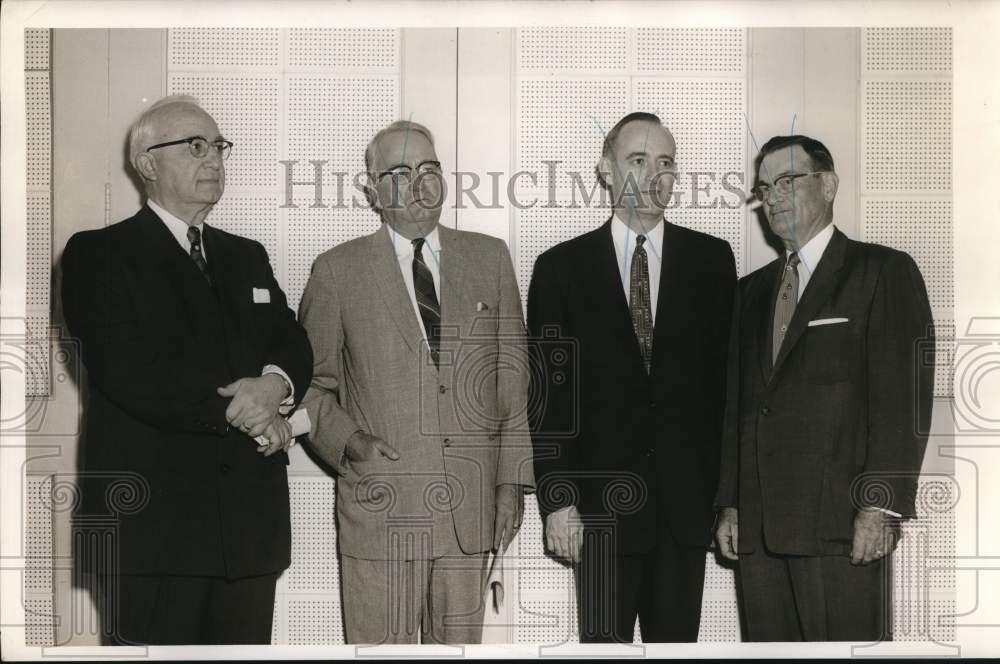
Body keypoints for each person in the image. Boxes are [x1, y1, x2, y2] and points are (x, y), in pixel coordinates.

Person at [61, 95, 313, 645]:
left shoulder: (247, 255)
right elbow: (129, 370)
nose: (215, 160)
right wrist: (251, 413)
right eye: (196, 147)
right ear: (147, 163)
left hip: (247, 534)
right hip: (155, 533)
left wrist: (274, 386)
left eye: (219, 146)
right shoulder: (97, 254)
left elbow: (291, 340)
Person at [296, 119, 534, 644]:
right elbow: (308, 384)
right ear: (371, 190)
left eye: (430, 169)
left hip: (468, 516)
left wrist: (511, 483)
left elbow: (513, 383)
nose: (421, 184)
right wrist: (350, 442)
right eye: (401, 173)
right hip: (381, 510)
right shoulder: (336, 272)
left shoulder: (489, 258)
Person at [714, 134, 935, 641]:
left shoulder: (881, 271)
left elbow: (903, 403)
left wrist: (879, 507)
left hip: (841, 526)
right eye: (764, 187)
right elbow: (739, 409)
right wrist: (730, 502)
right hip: (760, 535)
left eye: (788, 180)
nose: (773, 197)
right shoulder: (750, 291)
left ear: (829, 184)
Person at [527, 112, 736, 642]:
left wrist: (729, 500)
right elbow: (549, 400)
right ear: (605, 169)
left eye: (665, 162)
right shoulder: (560, 269)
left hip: (685, 514)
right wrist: (558, 500)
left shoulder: (712, 261)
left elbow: (727, 395)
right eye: (637, 160)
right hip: (597, 513)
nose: (653, 176)